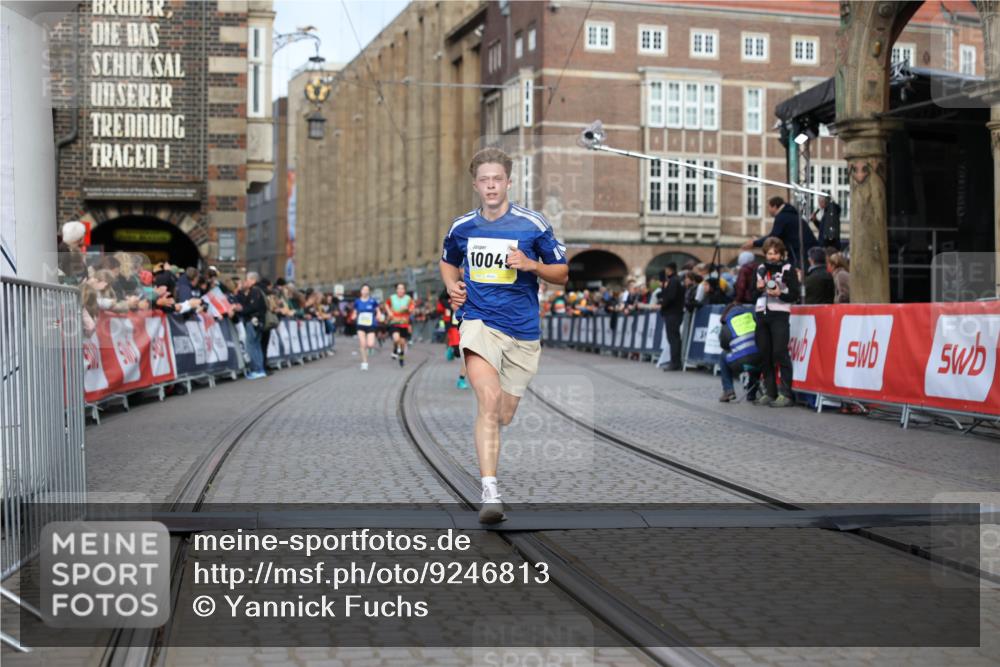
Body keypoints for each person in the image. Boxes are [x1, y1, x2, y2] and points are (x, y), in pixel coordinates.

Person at [439, 146, 568, 524]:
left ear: (508, 182)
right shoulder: (462, 227)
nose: (491, 185)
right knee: (488, 401)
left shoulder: (533, 225)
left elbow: (562, 273)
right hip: (478, 322)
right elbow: (448, 261)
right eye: (484, 180)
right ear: (476, 185)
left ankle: (490, 477)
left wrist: (531, 264)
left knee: (504, 414)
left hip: (523, 331)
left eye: (497, 179)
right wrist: (452, 286)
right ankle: (490, 491)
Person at [752, 237, 799, 407]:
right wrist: (758, 289)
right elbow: (751, 295)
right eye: (769, 253)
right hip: (762, 314)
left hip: (780, 314)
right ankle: (770, 392)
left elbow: (794, 294)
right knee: (765, 354)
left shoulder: (788, 269)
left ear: (781, 254)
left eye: (775, 253)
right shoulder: (760, 269)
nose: (772, 257)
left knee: (779, 352)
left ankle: (786, 393)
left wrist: (779, 293)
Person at [742, 196, 818, 268]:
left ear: (774, 206)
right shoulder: (789, 214)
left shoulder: (782, 217)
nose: (768, 210)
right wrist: (758, 241)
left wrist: (754, 243)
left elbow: (774, 236)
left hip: (800, 252)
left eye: (768, 207)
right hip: (806, 250)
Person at [238, 271, 268, 379]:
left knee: (252, 345)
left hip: (253, 321)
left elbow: (253, 306)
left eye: (247, 280)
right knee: (257, 345)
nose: (246, 282)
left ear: (253, 280)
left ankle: (257, 369)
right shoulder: (259, 290)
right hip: (258, 321)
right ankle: (260, 369)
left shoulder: (255, 291)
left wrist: (241, 309)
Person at [658, 262, 684, 371]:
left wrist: (663, 304)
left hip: (673, 313)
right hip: (673, 313)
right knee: (673, 338)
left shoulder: (674, 281)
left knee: (673, 338)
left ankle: (675, 362)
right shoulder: (674, 281)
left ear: (670, 270)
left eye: (667, 270)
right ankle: (675, 361)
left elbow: (671, 297)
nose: (666, 272)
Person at [386, 282, 415, 367]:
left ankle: (401, 355)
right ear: (396, 290)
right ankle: (395, 349)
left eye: (402, 288)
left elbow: (412, 309)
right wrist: (389, 312)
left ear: (404, 290)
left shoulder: (408, 299)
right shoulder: (392, 298)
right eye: (399, 288)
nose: (400, 290)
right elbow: (386, 305)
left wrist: (406, 309)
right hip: (394, 322)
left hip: (404, 323)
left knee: (402, 342)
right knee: (396, 338)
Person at [352, 283, 381, 371]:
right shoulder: (357, 301)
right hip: (360, 325)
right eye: (363, 289)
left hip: (370, 324)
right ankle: (364, 362)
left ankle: (368, 350)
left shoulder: (372, 301)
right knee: (363, 344)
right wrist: (353, 315)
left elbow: (377, 310)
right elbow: (355, 311)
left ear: (369, 291)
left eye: (367, 290)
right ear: (361, 291)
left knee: (370, 344)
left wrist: (379, 314)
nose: (365, 291)